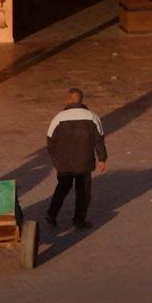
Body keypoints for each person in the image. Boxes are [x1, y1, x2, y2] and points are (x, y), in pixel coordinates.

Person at [44, 87, 108, 233]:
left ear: (68, 99)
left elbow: (50, 142)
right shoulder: (92, 117)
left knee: (62, 188)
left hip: (64, 163)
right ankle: (79, 220)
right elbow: (99, 140)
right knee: (83, 192)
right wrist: (102, 159)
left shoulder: (58, 118)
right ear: (81, 99)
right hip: (84, 162)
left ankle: (51, 214)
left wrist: (56, 159)